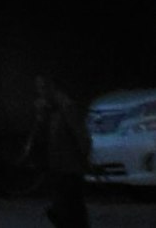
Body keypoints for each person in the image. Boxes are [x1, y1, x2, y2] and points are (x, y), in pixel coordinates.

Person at [24, 81, 92, 228]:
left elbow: (81, 136)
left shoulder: (66, 107)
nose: (41, 93)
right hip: (57, 165)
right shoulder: (50, 110)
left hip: (69, 167)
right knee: (65, 207)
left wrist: (84, 158)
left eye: (43, 88)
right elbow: (41, 135)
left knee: (71, 208)